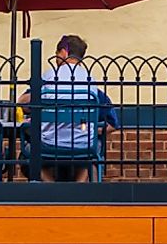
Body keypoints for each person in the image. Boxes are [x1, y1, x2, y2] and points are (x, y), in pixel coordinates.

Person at [31, 34, 118, 181]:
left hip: (49, 143)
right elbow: (113, 123)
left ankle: (51, 188)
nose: (56, 58)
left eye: (57, 54)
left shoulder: (49, 76)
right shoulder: (90, 80)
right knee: (92, 151)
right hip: (83, 144)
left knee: (29, 151)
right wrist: (87, 127)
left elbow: (25, 104)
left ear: (64, 52)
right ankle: (79, 187)